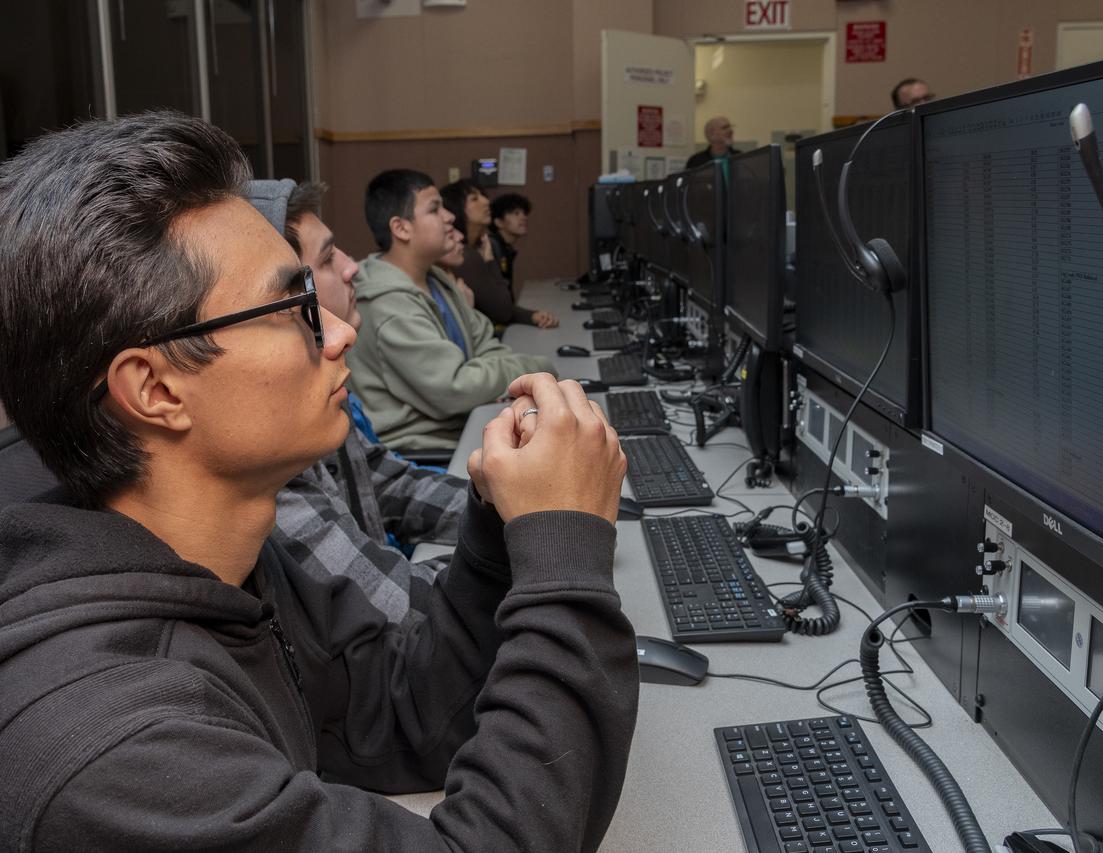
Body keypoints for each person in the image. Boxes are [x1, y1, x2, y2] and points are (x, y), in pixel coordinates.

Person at [0, 111, 638, 852]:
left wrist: (504, 526)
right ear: (156, 390)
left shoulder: (227, 565)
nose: (340, 332)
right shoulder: (119, 748)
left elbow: (407, 713)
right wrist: (565, 557)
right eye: (294, 306)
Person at [247, 178, 470, 620]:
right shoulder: (264, 447)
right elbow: (396, 610)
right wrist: (546, 540)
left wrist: (514, 505)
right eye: (329, 258)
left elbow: (384, 481)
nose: (354, 268)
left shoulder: (320, 386)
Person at [348, 169, 556, 452]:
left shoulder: (437, 279)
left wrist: (493, 381)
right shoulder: (387, 304)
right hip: (424, 454)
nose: (449, 217)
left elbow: (484, 341)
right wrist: (533, 371)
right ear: (401, 228)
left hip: (466, 427)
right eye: (435, 209)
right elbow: (454, 388)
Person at [440, 178, 557, 331]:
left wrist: (531, 316)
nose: (486, 201)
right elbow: (503, 310)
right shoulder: (466, 256)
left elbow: (494, 301)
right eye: (475, 199)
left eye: (483, 196)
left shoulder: (475, 249)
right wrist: (489, 261)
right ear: (457, 210)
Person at [488, 192, 530, 294]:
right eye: (516, 213)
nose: (523, 217)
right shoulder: (491, 247)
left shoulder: (505, 248)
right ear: (499, 222)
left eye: (524, 213)